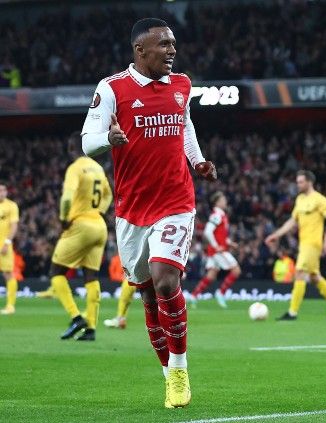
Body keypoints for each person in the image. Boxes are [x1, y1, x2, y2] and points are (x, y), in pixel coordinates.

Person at [81, 18, 217, 408]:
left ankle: (179, 369)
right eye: (164, 45)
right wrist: (108, 138)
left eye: (174, 44)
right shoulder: (112, 89)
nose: (172, 50)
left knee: (164, 281)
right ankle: (166, 374)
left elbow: (185, 123)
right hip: (131, 210)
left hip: (175, 201)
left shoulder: (182, 85)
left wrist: (198, 161)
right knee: (146, 296)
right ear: (140, 51)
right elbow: (87, 139)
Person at [50, 134, 112, 341]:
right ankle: (91, 328)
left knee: (56, 271)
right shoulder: (98, 168)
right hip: (99, 226)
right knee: (91, 276)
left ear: (70, 148)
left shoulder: (75, 168)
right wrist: (100, 211)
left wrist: (63, 219)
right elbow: (109, 195)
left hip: (81, 225)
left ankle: (76, 317)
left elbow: (67, 197)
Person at [264, 170, 326, 321]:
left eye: (301, 182)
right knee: (314, 277)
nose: (298, 184)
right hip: (304, 243)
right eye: (297, 181)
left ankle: (292, 312)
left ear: (309, 182)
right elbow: (292, 221)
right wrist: (276, 234)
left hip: (313, 243)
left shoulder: (319, 199)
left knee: (299, 272)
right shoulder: (300, 199)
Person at [185, 192, 240, 309]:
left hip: (216, 250)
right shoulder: (217, 215)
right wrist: (216, 246)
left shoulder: (222, 215)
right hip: (218, 251)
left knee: (211, 275)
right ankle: (221, 293)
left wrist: (230, 243)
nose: (225, 202)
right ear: (217, 202)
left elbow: (220, 234)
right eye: (223, 199)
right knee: (236, 270)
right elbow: (207, 231)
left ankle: (194, 295)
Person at [103, 252, 137, 329]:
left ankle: (120, 318)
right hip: (133, 277)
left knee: (125, 298)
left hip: (132, 276)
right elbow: (112, 273)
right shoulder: (116, 259)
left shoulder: (128, 254)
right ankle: (121, 318)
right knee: (127, 295)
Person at [0, 181, 19, 315]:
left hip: (3, 245)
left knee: (8, 274)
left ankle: (10, 306)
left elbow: (14, 226)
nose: (2, 193)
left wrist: (7, 242)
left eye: (3, 190)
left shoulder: (11, 205)